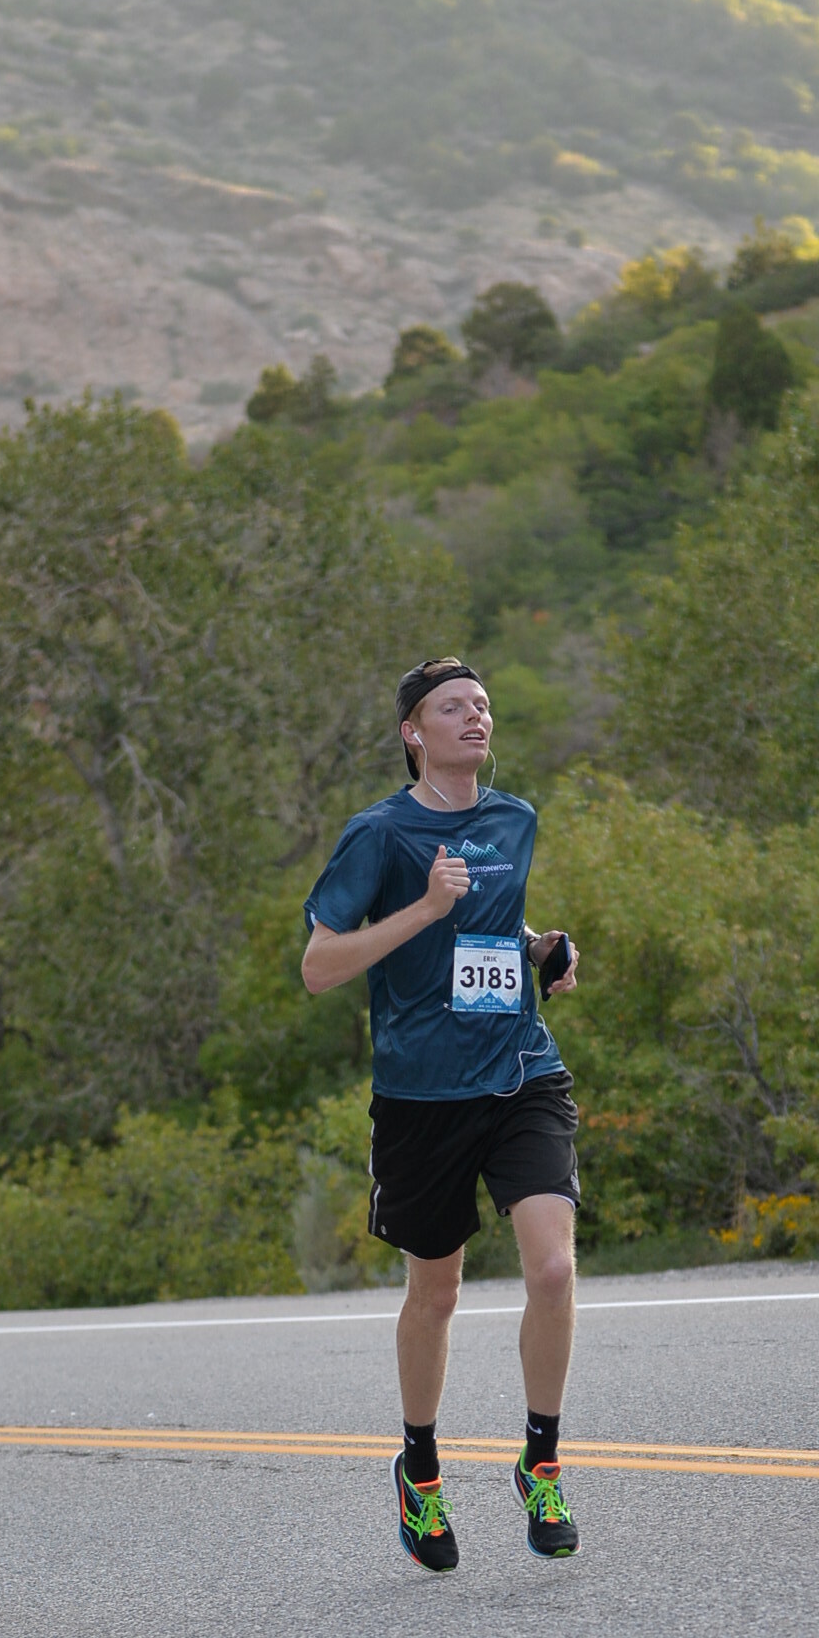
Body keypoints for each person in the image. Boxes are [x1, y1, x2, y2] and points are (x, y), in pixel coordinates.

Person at [302, 656, 582, 1569]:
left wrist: (540, 948)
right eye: (452, 707)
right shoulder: (379, 835)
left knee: (552, 1269)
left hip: (520, 1072)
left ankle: (541, 1463)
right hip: (423, 1098)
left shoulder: (515, 819)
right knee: (438, 1294)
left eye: (483, 704)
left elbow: (493, 921)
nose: (475, 716)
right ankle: (419, 1471)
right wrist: (424, 910)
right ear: (413, 733)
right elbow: (320, 966)